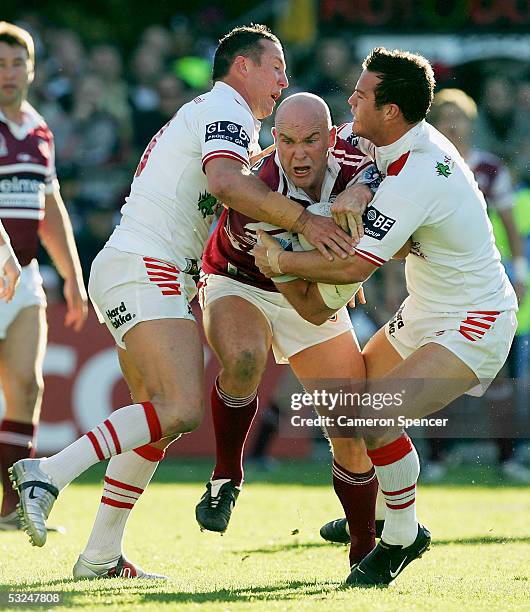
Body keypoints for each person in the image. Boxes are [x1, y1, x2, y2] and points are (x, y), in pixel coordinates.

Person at [10, 25, 357, 578]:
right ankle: (48, 471)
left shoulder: (220, 116)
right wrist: (304, 222)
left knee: (157, 416)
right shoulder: (228, 109)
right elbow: (224, 182)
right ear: (242, 67)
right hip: (148, 266)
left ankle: (100, 554)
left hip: (135, 264)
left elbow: (237, 179)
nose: (284, 81)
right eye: (276, 68)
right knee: (181, 409)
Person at [253, 47, 517, 586]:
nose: (350, 100)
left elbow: (353, 264)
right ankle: (377, 514)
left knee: (374, 419)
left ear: (391, 111)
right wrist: (360, 185)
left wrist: (278, 258)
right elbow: (341, 159)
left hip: (477, 318)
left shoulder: (420, 173)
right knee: (349, 407)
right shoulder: (382, 139)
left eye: (361, 94)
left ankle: (400, 537)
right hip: (427, 308)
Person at [195, 92, 395, 569]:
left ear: (332, 137)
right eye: (286, 141)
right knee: (244, 359)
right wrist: (341, 276)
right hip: (244, 280)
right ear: (272, 140)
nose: (298, 153)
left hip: (308, 277)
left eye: (310, 141)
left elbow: (396, 165)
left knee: (350, 421)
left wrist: (366, 185)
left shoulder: (355, 152)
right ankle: (227, 474)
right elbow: (304, 305)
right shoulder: (257, 193)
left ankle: (364, 552)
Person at [0, 21, 87, 531]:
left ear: (31, 69)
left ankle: (10, 510)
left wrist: (71, 275)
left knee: (27, 388)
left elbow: (49, 204)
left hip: (25, 277)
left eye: (16, 63)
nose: (7, 73)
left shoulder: (38, 129)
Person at [426, 88, 530, 483]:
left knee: (498, 372)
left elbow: (509, 225)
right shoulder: (428, 166)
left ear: (471, 123)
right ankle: (436, 455)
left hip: (484, 282)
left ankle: (507, 458)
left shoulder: (488, 169)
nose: (453, 124)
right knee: (435, 364)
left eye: (460, 117)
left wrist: (518, 272)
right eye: (445, 116)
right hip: (438, 282)